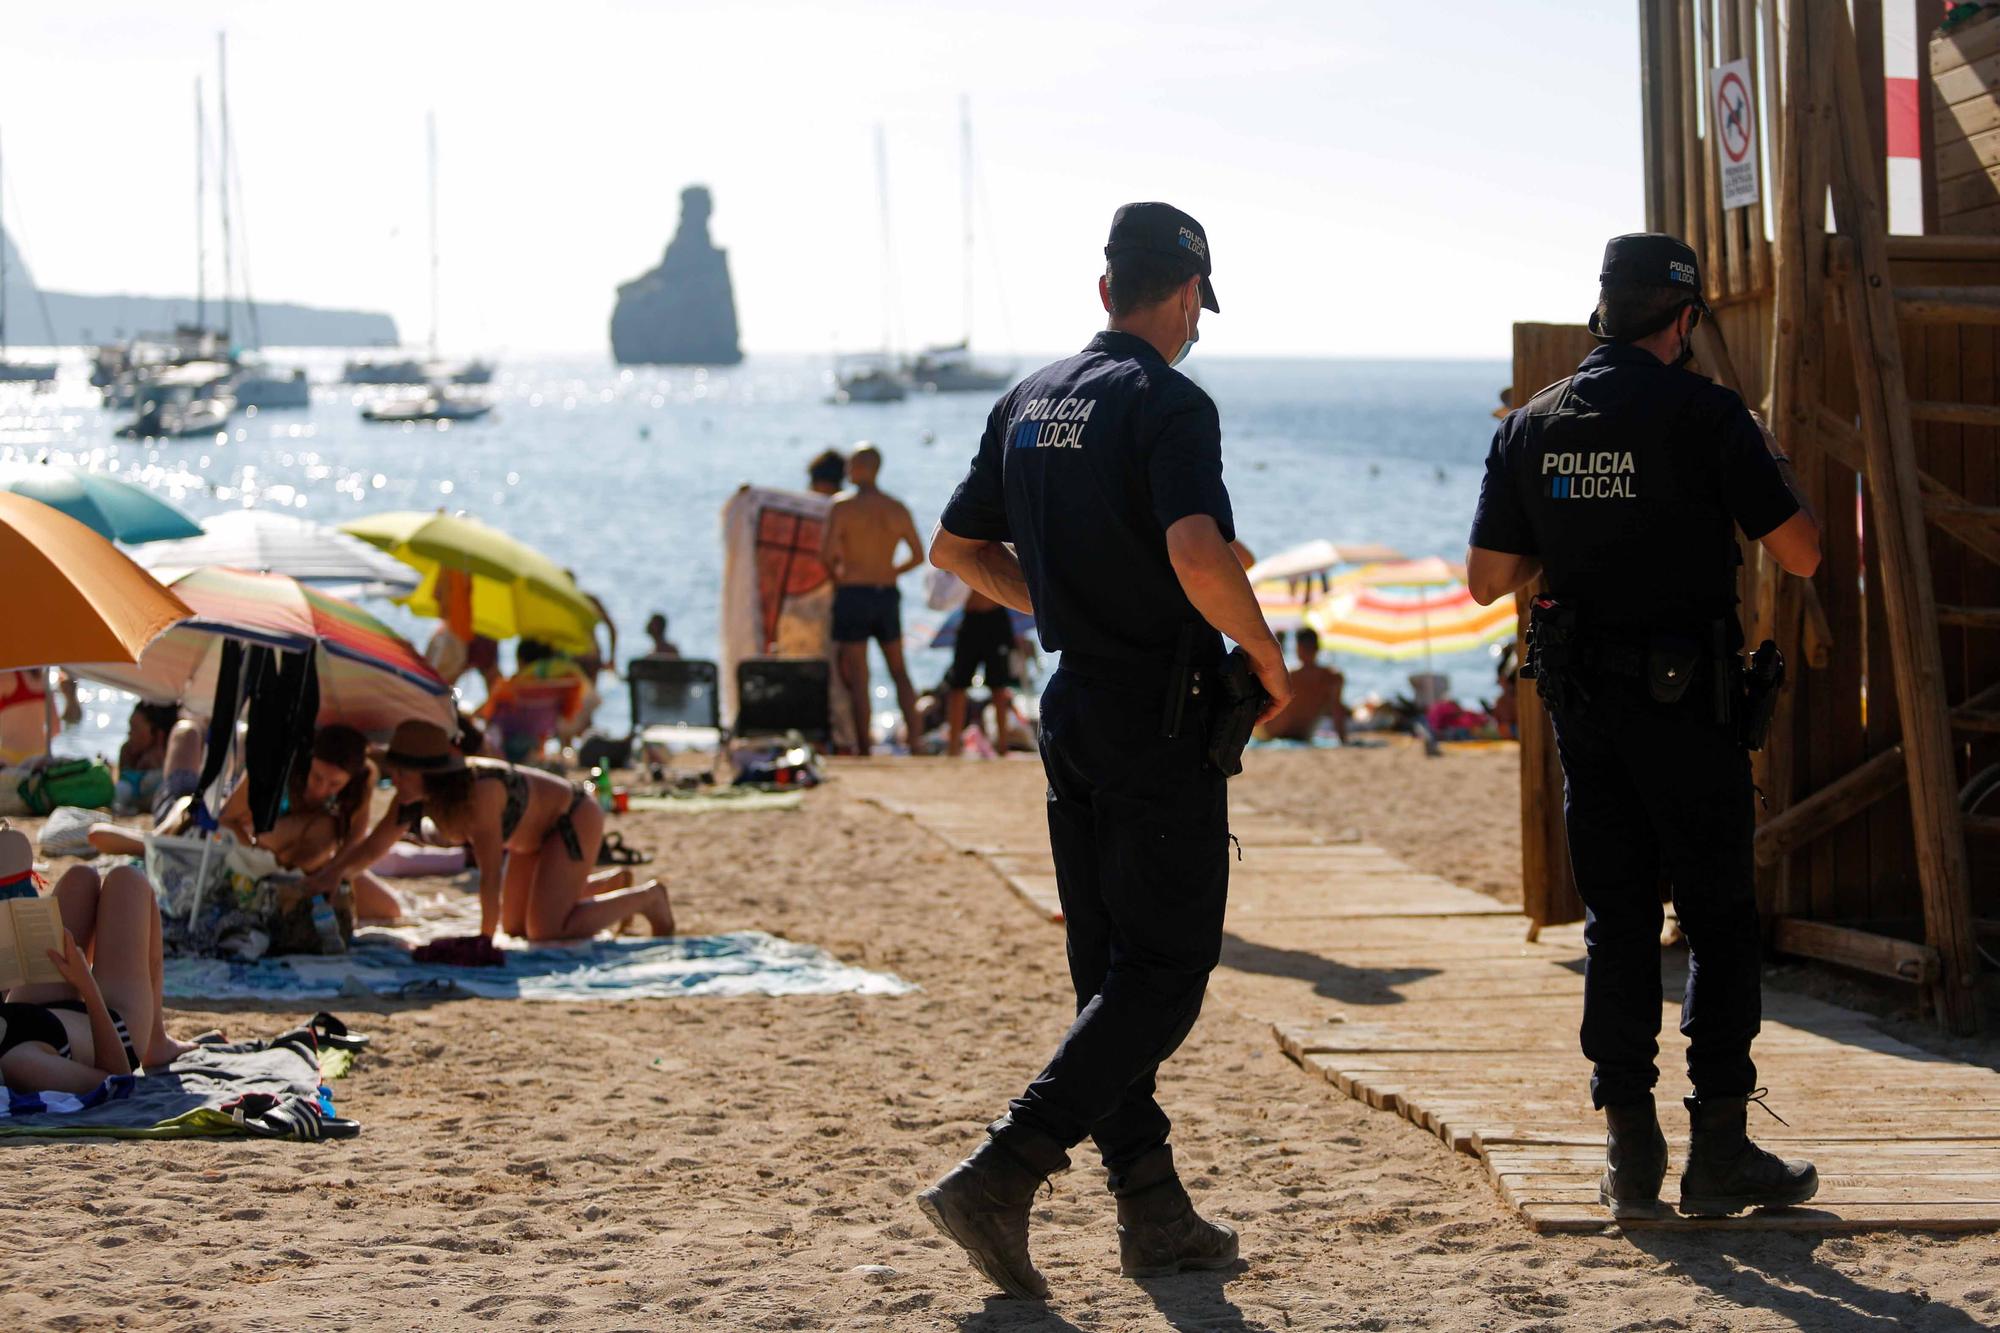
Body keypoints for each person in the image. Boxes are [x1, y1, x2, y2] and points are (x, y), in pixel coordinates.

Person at [923, 202, 1289, 1298]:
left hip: (1071, 704)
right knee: (1165, 972)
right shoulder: (1170, 402)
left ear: (1102, 292)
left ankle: (1151, 1210)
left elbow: (954, 549)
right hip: (1154, 713)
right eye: (1194, 309)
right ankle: (1002, 1169)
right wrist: (1263, 652)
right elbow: (1194, 548)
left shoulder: (1028, 400)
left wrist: (1065, 599)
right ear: (1181, 297)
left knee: (1106, 973)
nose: (1193, 329)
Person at [1465, 232, 1823, 1221]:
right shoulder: (1708, 417)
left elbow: (1486, 578)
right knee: (1715, 922)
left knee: (1614, 925)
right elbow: (1799, 554)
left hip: (1588, 714)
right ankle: (1718, 1150)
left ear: (1599, 315)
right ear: (1683, 319)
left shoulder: (1531, 424)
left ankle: (1628, 1152)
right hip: (1690, 711)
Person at [311, 721, 673, 944]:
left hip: (571, 819)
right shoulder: (411, 797)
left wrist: (483, 940)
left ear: (430, 773)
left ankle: (647, 898)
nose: (397, 782)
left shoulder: (477, 792)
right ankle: (608, 886)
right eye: (396, 773)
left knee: (546, 930)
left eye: (404, 774)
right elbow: (373, 848)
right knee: (517, 927)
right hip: (529, 840)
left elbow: (487, 873)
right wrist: (328, 878)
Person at [89, 725, 407, 924]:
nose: (321, 789)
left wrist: (330, 875)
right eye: (317, 777)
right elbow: (226, 817)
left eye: (334, 784)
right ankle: (188, 728)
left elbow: (353, 843)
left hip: (296, 862)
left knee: (389, 908)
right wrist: (257, 852)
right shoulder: (280, 768)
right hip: (207, 817)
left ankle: (201, 738)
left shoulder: (360, 784)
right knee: (186, 745)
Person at [1, 859, 198, 1093]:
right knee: (128, 882)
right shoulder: (22, 1065)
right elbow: (116, 1078)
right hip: (112, 1029)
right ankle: (155, 1043)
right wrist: (85, 982)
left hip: (32, 1010)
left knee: (80, 878)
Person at [822, 444, 926, 754]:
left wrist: (841, 580)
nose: (846, 471)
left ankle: (865, 747)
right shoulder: (896, 507)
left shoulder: (841, 506)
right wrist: (891, 571)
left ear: (863, 468)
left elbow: (826, 556)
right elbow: (919, 555)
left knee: (859, 674)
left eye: (851, 464)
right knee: (899, 669)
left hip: (853, 592)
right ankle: (917, 743)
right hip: (885, 593)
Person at [943, 592, 1021, 757]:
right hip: (970, 618)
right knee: (957, 685)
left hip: (996, 617)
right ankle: (953, 748)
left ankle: (1002, 747)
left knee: (999, 687)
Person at [1252, 627, 1347, 743]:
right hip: (1303, 734)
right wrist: (1343, 740)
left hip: (1271, 733)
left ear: (1298, 648)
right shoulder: (1333, 678)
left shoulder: (1289, 675)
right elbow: (1337, 711)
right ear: (1318, 648)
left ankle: (1278, 644)